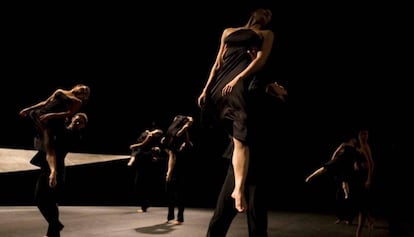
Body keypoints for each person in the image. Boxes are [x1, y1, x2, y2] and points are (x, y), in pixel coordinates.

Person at [197, 8, 274, 236]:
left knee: (256, 215)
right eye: (264, 11)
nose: (267, 14)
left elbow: (260, 66)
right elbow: (217, 62)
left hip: (255, 151)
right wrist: (206, 88)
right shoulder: (229, 32)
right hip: (241, 153)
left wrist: (266, 84)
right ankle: (237, 191)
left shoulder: (265, 38)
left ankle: (238, 191)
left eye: (270, 14)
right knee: (223, 214)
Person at [19, 84, 91, 189]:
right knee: (35, 118)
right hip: (40, 115)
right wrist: (28, 109)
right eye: (83, 89)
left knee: (50, 147)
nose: (83, 92)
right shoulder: (60, 90)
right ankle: (43, 149)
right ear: (77, 86)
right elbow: (45, 102)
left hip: (52, 120)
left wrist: (51, 115)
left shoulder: (77, 101)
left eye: (85, 93)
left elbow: (68, 113)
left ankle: (53, 172)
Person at [29, 112, 89, 237]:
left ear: (83, 126)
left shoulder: (75, 135)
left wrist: (57, 118)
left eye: (81, 122)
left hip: (56, 169)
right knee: (47, 201)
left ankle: (55, 226)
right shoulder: (64, 130)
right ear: (73, 119)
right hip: (49, 167)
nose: (77, 122)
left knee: (43, 199)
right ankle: (54, 230)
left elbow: (57, 138)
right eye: (77, 119)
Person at [305, 136, 359, 225]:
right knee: (325, 168)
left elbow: (356, 158)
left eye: (355, 140)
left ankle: (346, 195)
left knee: (344, 183)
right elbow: (336, 151)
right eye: (353, 139)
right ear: (350, 140)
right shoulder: (345, 144)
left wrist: (355, 164)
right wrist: (333, 160)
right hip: (339, 161)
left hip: (346, 166)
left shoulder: (356, 149)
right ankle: (310, 177)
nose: (355, 140)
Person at [162, 114, 194, 225]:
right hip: (175, 162)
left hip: (179, 165)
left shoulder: (178, 132)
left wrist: (169, 173)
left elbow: (172, 155)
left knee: (179, 192)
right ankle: (171, 216)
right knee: (171, 191)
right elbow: (171, 154)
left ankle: (179, 218)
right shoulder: (174, 133)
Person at [127, 127, 165, 213]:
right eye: (156, 132)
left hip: (144, 160)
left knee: (141, 184)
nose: (156, 133)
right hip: (141, 159)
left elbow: (143, 144)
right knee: (139, 184)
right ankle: (145, 204)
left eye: (157, 133)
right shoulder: (147, 133)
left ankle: (144, 205)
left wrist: (134, 145)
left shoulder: (151, 137)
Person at [353, 129, 375, 237]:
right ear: (358, 135)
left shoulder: (365, 147)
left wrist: (369, 179)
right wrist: (356, 164)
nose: (364, 136)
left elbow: (371, 164)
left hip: (364, 179)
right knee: (361, 204)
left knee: (362, 206)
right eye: (362, 134)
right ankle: (370, 219)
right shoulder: (360, 147)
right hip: (359, 178)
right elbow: (359, 160)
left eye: (366, 134)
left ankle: (358, 233)